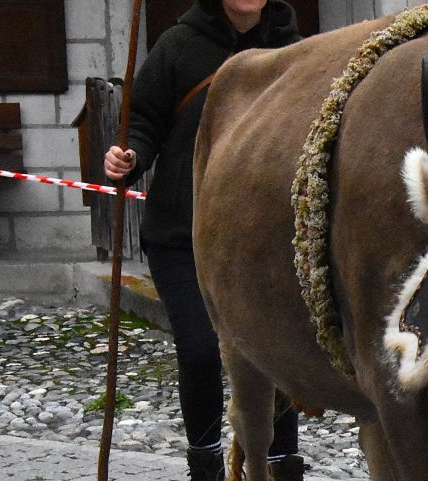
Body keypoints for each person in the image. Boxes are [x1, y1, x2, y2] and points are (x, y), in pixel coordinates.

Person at [104, 1, 304, 480]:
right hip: (183, 233)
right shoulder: (177, 46)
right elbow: (145, 120)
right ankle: (207, 463)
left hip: (265, 237)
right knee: (198, 349)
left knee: (275, 351)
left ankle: (279, 465)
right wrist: (128, 155)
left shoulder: (293, 51)